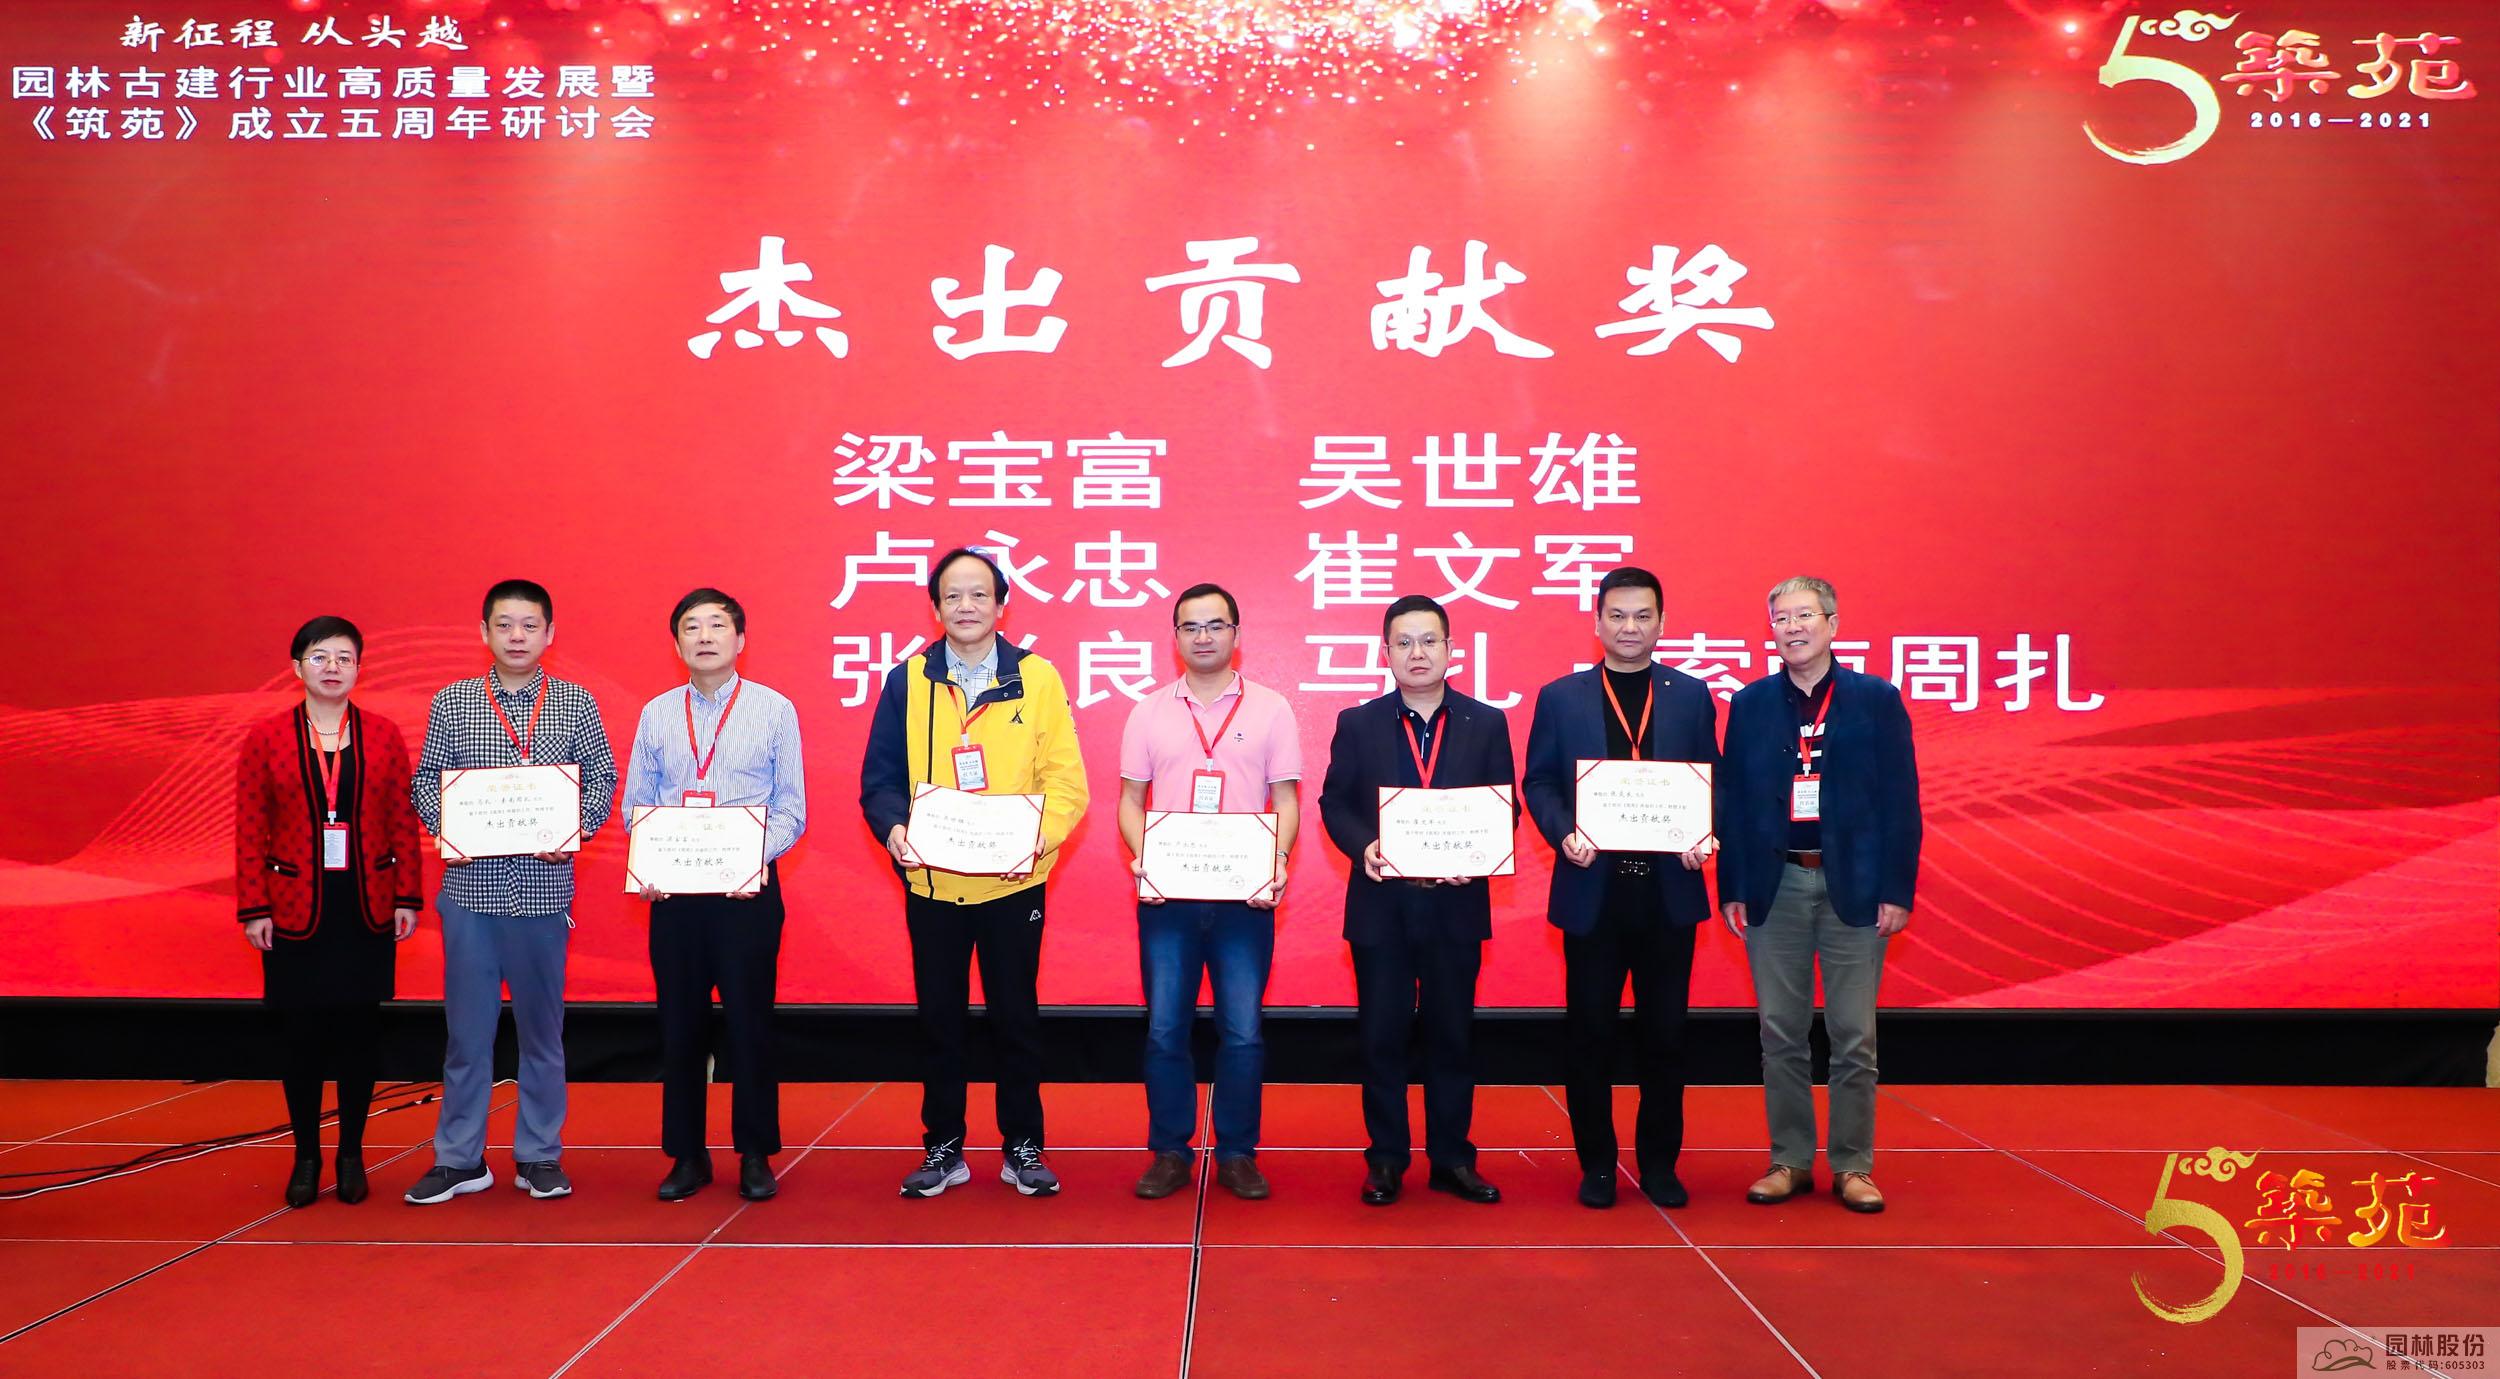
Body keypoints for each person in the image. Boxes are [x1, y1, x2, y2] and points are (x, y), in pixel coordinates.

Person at [860, 547, 1088, 1198]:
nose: (966, 606)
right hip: (934, 883)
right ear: (935, 608)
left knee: (1017, 1017)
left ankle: (1023, 1145)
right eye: (953, 595)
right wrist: (894, 829)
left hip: (1014, 882)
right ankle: (944, 1147)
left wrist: (1034, 842)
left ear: (1001, 606)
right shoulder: (907, 680)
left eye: (979, 594)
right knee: (940, 1020)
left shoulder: (1037, 678)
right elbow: (880, 780)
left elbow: (1066, 783)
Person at [405, 579, 618, 1205]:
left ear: (550, 633)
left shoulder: (575, 702)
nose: (517, 636)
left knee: (542, 1034)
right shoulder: (453, 702)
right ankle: (459, 1159)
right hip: (470, 894)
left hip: (542, 893)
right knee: (467, 1036)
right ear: (484, 633)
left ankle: (539, 1155)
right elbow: (426, 782)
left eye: (529, 625)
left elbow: (601, 779)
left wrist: (573, 831)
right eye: (504, 625)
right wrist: (451, 828)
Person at [1717, 576, 1922, 1214]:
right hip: (1774, 882)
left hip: (1854, 884)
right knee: (1780, 1031)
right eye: (1781, 618)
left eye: (1805, 615)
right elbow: (1732, 802)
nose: (1793, 628)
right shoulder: (1750, 704)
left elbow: (1902, 801)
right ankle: (1790, 1160)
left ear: (1832, 624)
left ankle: (1854, 1165)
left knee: (1853, 1034)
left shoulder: (1875, 700)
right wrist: (1733, 886)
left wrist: (1896, 888)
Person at [1521, 567, 1719, 1210]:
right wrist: (1563, 833)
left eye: (1642, 616)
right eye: (1617, 615)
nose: (1630, 627)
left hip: (1667, 895)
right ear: (1598, 621)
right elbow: (1539, 782)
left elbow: (1712, 780)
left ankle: (1659, 1164)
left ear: (1662, 622)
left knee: (1666, 1037)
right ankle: (1598, 1166)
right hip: (1593, 895)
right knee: (1590, 1036)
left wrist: (1703, 833)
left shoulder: (1691, 696)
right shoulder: (1562, 697)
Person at [1317, 594, 1517, 1207]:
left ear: (1451, 649)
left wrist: (1475, 853)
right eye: (1403, 642)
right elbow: (1334, 803)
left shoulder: (1487, 722)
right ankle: (1385, 1160)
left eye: (1429, 640)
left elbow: (1506, 807)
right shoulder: (1359, 723)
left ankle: (1453, 1159)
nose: (1418, 653)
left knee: (1452, 1036)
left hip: (1456, 905)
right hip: (1383, 906)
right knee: (1382, 1038)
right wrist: (1365, 846)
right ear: (1386, 653)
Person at [1117, 583, 1300, 1202]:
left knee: (1243, 1031)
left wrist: (1276, 860)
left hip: (1244, 900)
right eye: (1191, 627)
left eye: (1215, 625)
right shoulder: (1148, 712)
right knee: (1165, 1028)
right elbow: (1130, 800)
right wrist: (1145, 857)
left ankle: (1238, 1154)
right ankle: (1170, 1152)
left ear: (1236, 635)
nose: (1203, 637)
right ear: (1175, 638)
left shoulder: (1272, 709)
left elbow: (1286, 799)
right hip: (1168, 900)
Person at [623, 588, 807, 1203]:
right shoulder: (656, 714)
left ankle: (755, 1153)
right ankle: (687, 1154)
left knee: (750, 1024)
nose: (704, 636)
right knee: (680, 1026)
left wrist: (746, 858)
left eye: (717, 626)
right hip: (675, 896)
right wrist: (648, 859)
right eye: (692, 627)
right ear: (677, 643)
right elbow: (635, 806)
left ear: (740, 640)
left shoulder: (774, 710)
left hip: (745, 894)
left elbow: (792, 809)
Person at [235, 616, 424, 1208]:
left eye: (344, 657)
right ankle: (306, 1156)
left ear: (359, 668)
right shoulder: (267, 737)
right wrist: (254, 906)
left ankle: (350, 1155)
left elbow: (402, 819)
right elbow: (250, 827)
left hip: (366, 905)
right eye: (320, 657)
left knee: (359, 1035)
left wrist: (407, 896)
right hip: (292, 908)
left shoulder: (383, 734)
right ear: (297, 668)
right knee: (301, 1038)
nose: (333, 667)